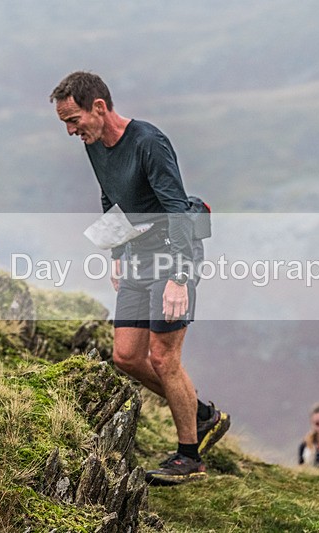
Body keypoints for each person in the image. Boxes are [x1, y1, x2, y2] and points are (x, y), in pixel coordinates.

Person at [50, 71, 230, 485]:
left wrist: (180, 277)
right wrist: (116, 252)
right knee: (127, 356)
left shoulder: (150, 143)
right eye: (65, 123)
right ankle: (202, 416)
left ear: (99, 106)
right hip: (137, 255)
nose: (70, 131)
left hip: (173, 254)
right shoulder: (94, 144)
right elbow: (109, 197)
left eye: (73, 120)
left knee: (164, 358)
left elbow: (176, 209)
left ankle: (189, 457)